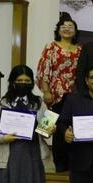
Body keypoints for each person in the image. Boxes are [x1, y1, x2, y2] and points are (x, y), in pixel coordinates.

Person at [36, 17, 81, 172]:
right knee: (50, 128)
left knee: (69, 129)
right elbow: (44, 71)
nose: (67, 28)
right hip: (54, 95)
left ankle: (71, 165)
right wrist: (46, 91)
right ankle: (57, 165)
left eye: (70, 26)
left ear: (75, 31)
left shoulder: (80, 50)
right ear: (58, 30)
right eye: (63, 26)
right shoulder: (51, 47)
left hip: (74, 96)